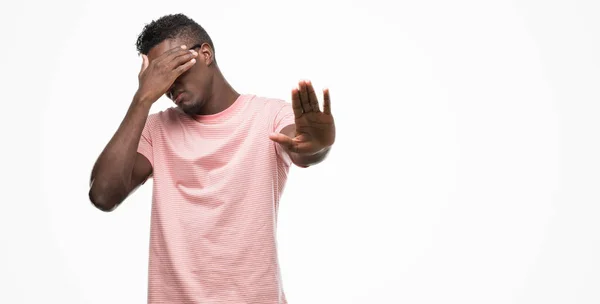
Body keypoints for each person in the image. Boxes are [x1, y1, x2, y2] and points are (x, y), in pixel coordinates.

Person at [88, 13, 335, 304]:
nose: (169, 87)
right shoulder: (155, 129)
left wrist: (319, 144)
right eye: (159, 79)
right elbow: (103, 194)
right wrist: (142, 97)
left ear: (205, 53)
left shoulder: (270, 115)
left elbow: (302, 148)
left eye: (173, 70)